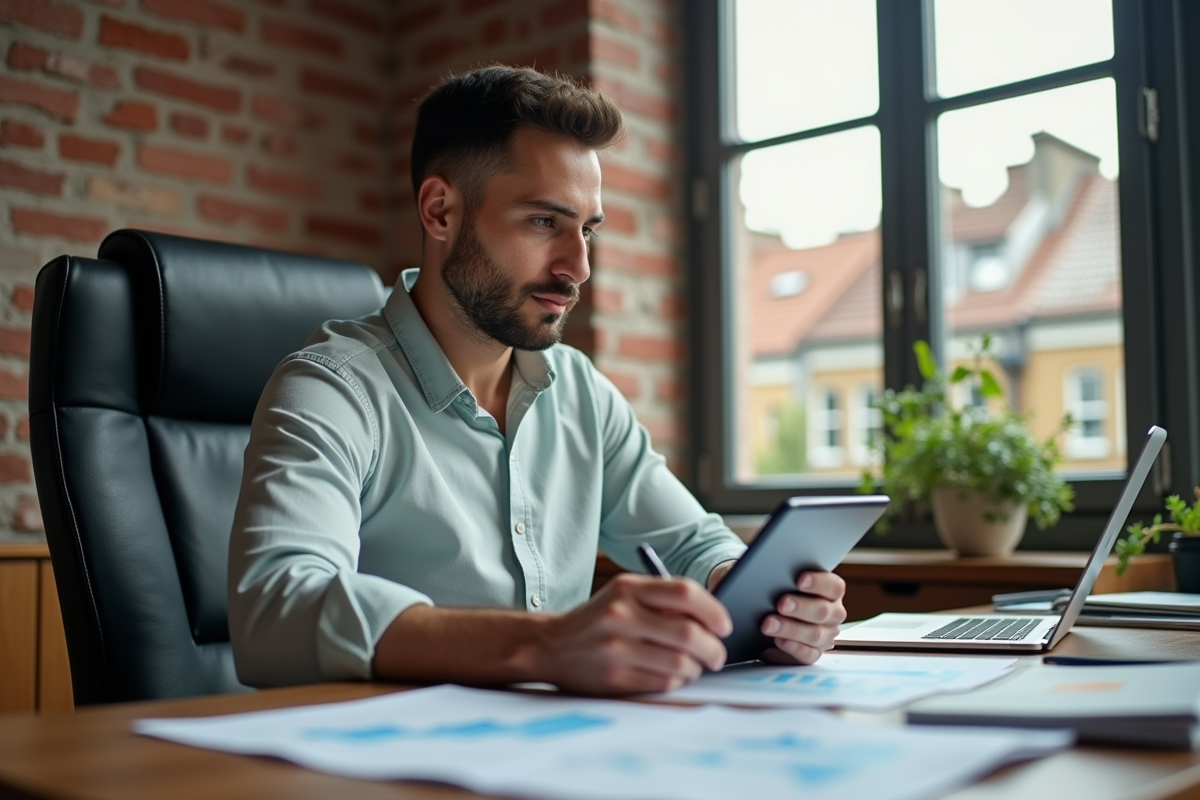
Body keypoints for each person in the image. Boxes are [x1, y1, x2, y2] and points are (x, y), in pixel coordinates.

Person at [227, 65, 846, 694]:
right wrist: (545, 644)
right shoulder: (331, 389)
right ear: (440, 211)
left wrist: (769, 603)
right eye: (544, 222)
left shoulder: (579, 392)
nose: (578, 267)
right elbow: (276, 614)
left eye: (588, 229)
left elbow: (691, 542)